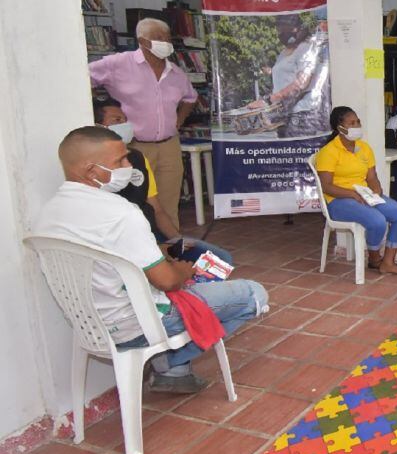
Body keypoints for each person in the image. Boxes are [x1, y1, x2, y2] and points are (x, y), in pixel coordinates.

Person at [33, 126, 268, 394]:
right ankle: (168, 361)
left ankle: (173, 369)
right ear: (91, 171)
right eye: (120, 161)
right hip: (139, 324)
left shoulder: (48, 213)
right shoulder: (120, 213)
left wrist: (157, 250)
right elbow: (167, 281)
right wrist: (182, 271)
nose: (128, 166)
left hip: (93, 324)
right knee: (254, 294)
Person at [92, 97, 232, 265]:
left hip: (152, 236)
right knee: (172, 272)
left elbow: (157, 210)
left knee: (221, 261)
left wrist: (177, 239)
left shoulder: (137, 158)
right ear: (98, 127)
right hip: (127, 246)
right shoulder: (93, 169)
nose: (124, 125)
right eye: (117, 121)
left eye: (125, 120)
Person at [89, 17, 197, 231]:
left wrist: (180, 120)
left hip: (169, 146)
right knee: (134, 200)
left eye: (167, 38)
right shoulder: (118, 64)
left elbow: (191, 98)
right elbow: (82, 76)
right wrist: (100, 110)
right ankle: (139, 247)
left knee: (168, 202)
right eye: (158, 38)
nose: (165, 42)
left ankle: (171, 247)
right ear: (142, 41)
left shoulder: (175, 72)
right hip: (132, 148)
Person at [314, 107, 397, 275]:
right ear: (340, 128)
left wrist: (376, 190)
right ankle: (375, 259)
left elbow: (372, 177)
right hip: (338, 200)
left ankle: (388, 262)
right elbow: (327, 186)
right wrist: (352, 194)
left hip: (364, 195)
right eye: (351, 123)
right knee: (377, 221)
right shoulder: (328, 152)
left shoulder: (364, 148)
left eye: (358, 122)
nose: (357, 126)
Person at [246, 14, 329, 138]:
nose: (281, 32)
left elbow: (302, 82)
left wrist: (269, 100)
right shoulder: (284, 53)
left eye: (285, 28)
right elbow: (282, 83)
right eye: (279, 28)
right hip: (285, 114)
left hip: (300, 115)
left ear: (298, 28)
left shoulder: (305, 49)